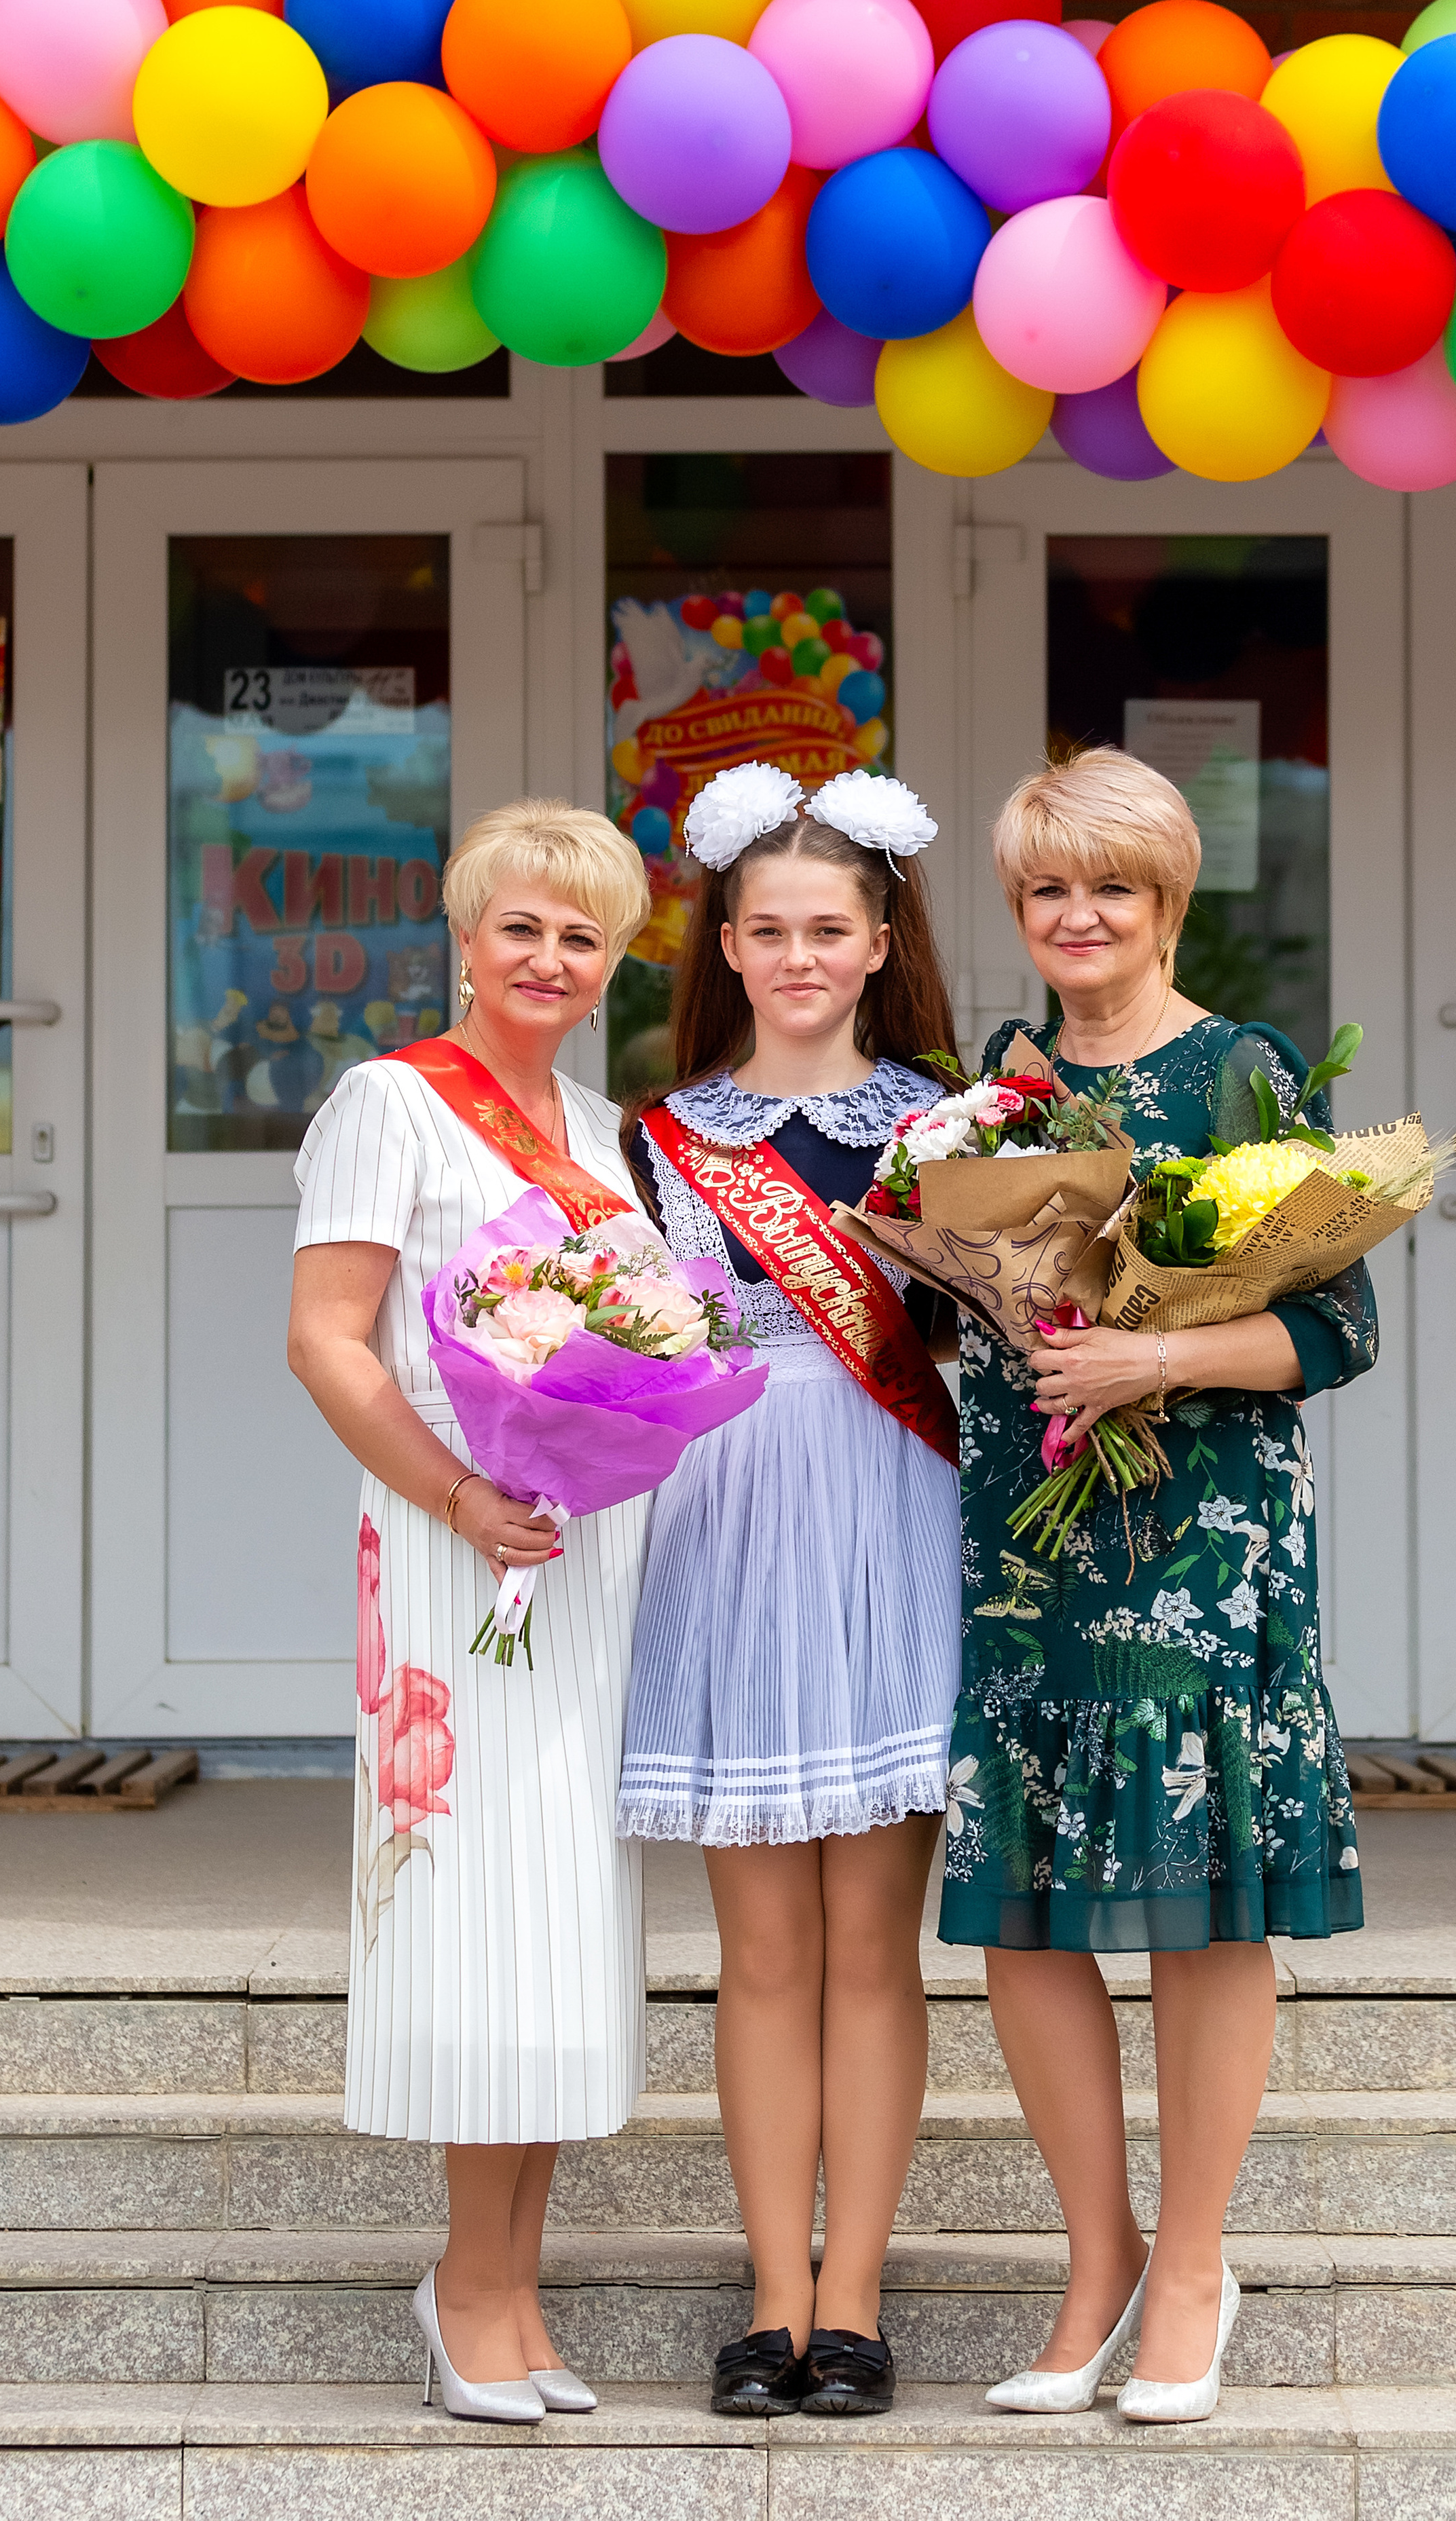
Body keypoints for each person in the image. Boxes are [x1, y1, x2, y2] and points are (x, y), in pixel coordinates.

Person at [939, 749, 1373, 2427]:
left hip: (1199, 1546)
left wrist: (1154, 1354)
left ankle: (1193, 2264)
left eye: (1109, 887)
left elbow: (1332, 1330)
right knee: (1029, 1917)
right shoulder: (1000, 1075)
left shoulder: (1243, 1073)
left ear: (1167, 901)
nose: (1076, 916)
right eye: (1046, 890)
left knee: (1203, 1912)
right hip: (1031, 1532)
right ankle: (1096, 2259)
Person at [286, 800, 654, 2428]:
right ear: (464, 933)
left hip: (580, 1551)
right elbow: (331, 1341)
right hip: (455, 1549)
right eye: (522, 926)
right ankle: (472, 2286)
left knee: (561, 1914)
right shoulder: (390, 1104)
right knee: (476, 1907)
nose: (549, 958)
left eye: (582, 936)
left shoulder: (600, 1122)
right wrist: (455, 1493)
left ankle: (508, 2284)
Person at [618, 763, 963, 2421]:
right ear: (729, 947)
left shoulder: (953, 1126)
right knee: (758, 1953)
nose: (801, 955)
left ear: (882, 936)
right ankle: (768, 2300)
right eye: (770, 930)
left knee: (871, 1946)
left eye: (832, 927)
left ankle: (855, 2295)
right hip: (729, 1517)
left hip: (894, 1508)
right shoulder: (658, 1134)